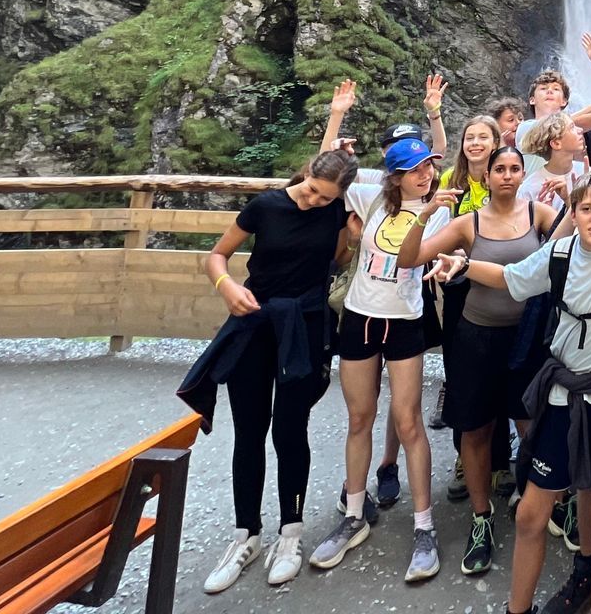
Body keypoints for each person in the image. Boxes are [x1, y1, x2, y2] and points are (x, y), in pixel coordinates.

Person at [407, 170, 591, 614]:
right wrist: (463, 264)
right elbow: (512, 276)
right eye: (585, 208)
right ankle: (516, 609)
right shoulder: (559, 254)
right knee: (529, 515)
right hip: (562, 398)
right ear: (573, 214)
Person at [185, 148, 357, 593]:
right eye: (313, 192)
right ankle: (247, 536)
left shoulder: (336, 209)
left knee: (290, 430)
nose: (313, 202)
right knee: (249, 429)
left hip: (304, 325)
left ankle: (291, 534)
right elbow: (217, 255)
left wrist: (349, 238)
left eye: (325, 199)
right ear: (305, 174)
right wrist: (226, 287)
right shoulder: (265, 205)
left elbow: (334, 262)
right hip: (256, 320)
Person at [411, 145, 564, 574]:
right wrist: (424, 215)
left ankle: (543, 501)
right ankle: (482, 519)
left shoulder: (538, 214)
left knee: (532, 423)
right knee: (476, 429)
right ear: (488, 176)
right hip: (477, 338)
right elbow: (409, 258)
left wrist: (568, 197)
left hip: (528, 339)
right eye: (500, 169)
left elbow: (581, 235)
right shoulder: (468, 222)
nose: (508, 176)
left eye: (516, 169)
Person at [310, 137, 451, 581]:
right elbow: (321, 178)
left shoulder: (440, 209)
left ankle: (424, 526)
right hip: (359, 315)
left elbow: (426, 253)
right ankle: (353, 513)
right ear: (394, 174)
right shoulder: (371, 195)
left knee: (408, 422)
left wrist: (427, 214)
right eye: (414, 170)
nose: (425, 175)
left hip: (404, 319)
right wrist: (334, 136)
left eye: (428, 165)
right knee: (359, 418)